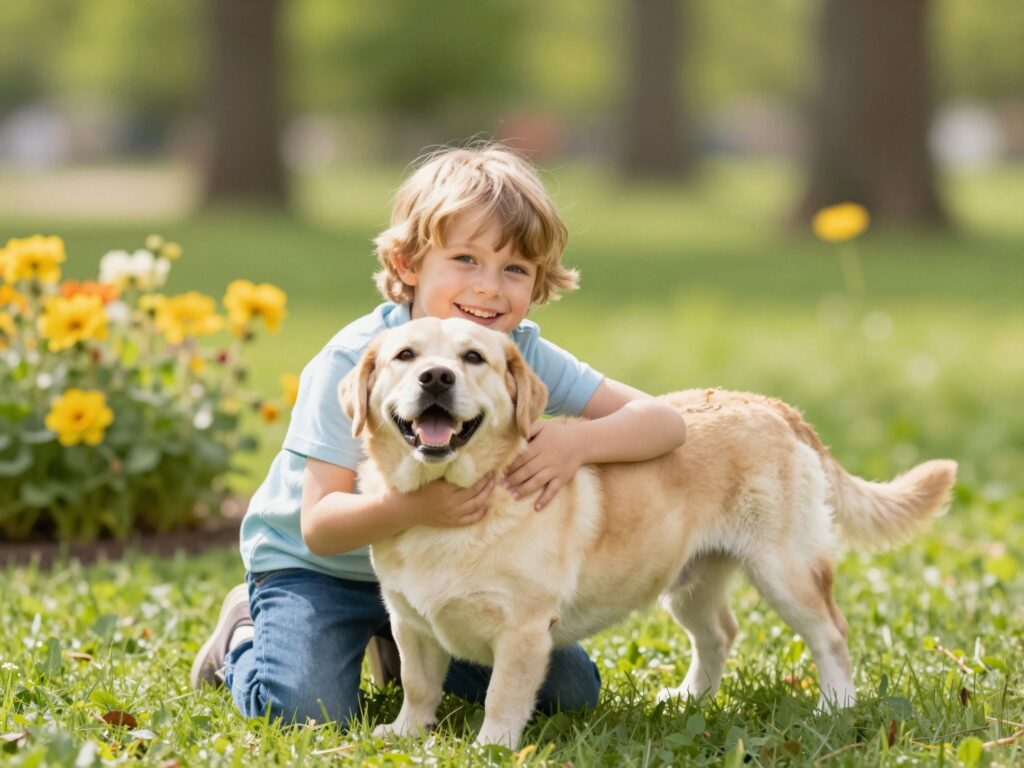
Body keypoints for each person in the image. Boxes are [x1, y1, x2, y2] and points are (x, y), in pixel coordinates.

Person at [190, 143, 688, 726]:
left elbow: (665, 422)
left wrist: (576, 443)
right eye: (465, 259)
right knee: (303, 708)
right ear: (407, 264)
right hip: (318, 571)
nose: (489, 288)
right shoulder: (355, 360)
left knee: (569, 693)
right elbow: (319, 527)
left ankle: (397, 642)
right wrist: (417, 506)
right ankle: (245, 636)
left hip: (449, 579)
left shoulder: (513, 350)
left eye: (515, 270)